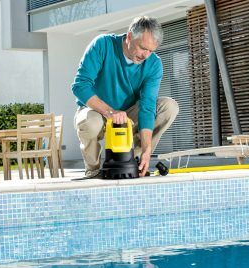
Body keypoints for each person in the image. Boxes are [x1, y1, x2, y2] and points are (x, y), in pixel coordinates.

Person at [72, 16, 179, 178]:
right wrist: (110, 112)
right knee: (90, 121)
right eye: (143, 48)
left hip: (128, 114)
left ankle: (130, 160)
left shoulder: (153, 64)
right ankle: (93, 170)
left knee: (169, 106)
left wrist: (146, 149)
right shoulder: (103, 45)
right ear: (129, 36)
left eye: (151, 51)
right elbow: (80, 86)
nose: (146, 56)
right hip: (96, 111)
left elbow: (147, 106)